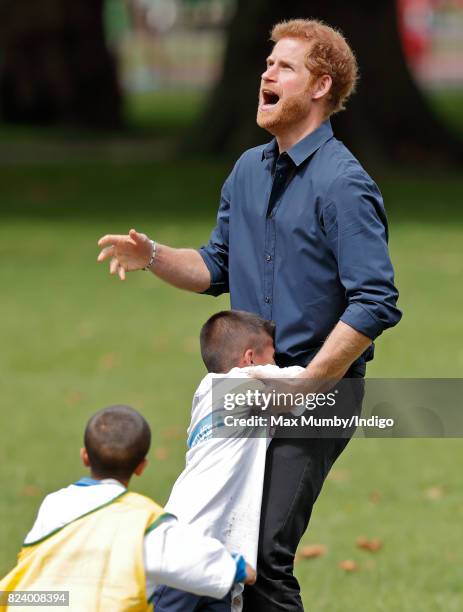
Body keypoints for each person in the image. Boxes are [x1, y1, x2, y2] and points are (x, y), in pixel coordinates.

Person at [97, 18, 402, 611]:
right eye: (268, 62)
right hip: (242, 387)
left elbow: (375, 300)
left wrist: (315, 380)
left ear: (320, 86)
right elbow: (215, 265)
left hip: (318, 390)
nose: (267, 72)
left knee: (264, 557)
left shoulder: (344, 184)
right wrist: (152, 255)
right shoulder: (246, 170)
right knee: (211, 550)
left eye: (284, 66)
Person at [0, 405, 255, 611]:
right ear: (141, 467)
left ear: (84, 456)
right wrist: (240, 569)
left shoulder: (53, 505)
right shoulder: (145, 521)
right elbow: (200, 564)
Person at [153, 310, 306, 612]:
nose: (275, 365)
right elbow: (306, 384)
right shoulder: (237, 386)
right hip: (190, 551)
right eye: (272, 357)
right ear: (249, 359)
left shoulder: (208, 396)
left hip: (208, 551)